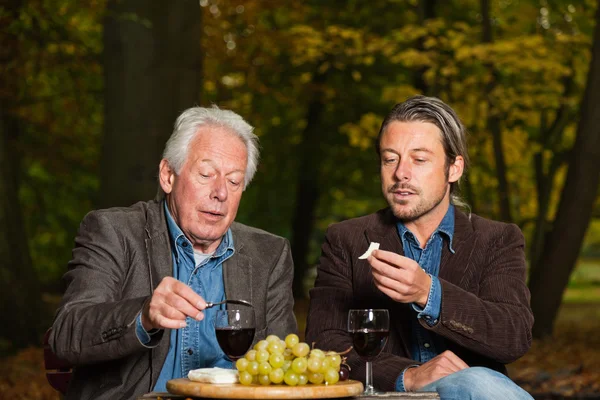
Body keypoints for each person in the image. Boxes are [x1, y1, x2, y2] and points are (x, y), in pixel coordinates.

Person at [50, 106, 297, 399]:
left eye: (234, 181)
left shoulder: (269, 254)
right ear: (168, 176)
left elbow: (282, 367)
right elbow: (66, 335)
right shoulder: (114, 231)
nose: (221, 193)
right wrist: (143, 316)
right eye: (206, 174)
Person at [305, 95, 534, 399]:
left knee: (474, 381)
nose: (401, 173)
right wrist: (407, 376)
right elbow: (323, 343)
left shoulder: (497, 239)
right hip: (385, 396)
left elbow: (512, 337)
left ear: (454, 168)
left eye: (419, 159)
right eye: (390, 158)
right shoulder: (345, 239)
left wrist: (429, 293)